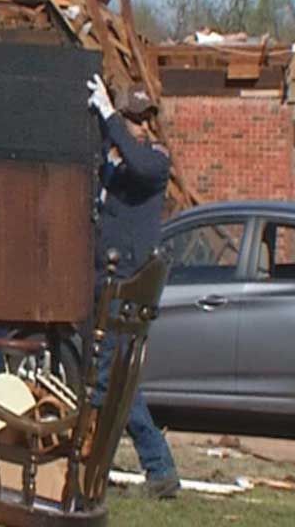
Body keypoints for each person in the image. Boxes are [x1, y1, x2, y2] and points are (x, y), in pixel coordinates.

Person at [86, 74, 181, 498]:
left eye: (144, 119)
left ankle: (94, 466)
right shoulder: (112, 165)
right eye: (133, 118)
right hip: (105, 283)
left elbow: (140, 164)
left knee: (108, 380)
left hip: (128, 285)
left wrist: (109, 116)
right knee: (118, 382)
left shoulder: (155, 161)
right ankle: (158, 469)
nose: (141, 127)